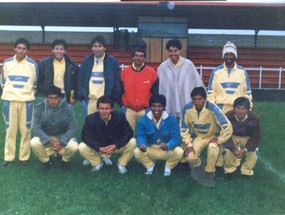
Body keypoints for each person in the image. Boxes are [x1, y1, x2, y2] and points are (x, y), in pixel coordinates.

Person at [180, 87, 232, 185]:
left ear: (205, 99)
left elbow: (227, 126)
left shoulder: (212, 107)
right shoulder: (187, 108)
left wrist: (219, 140)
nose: (197, 102)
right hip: (199, 137)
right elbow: (183, 128)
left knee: (212, 148)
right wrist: (189, 145)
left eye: (200, 99)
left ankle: (209, 171)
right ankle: (198, 165)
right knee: (190, 157)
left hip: (213, 136)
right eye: (194, 99)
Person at [1, 38, 38, 166]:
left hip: (26, 102)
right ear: (14, 49)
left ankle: (24, 158)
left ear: (28, 50)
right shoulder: (6, 63)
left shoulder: (33, 65)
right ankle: (8, 157)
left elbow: (35, 84)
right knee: (10, 130)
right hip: (10, 101)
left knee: (26, 130)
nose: (21, 51)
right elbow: (3, 82)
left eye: (24, 49)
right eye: (19, 48)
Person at [78, 96, 136, 174]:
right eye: (101, 108)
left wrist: (116, 145)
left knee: (133, 142)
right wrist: (98, 147)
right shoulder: (91, 118)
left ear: (112, 109)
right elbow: (84, 136)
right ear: (98, 109)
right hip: (100, 148)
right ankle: (97, 163)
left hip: (115, 147)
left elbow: (129, 132)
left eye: (107, 108)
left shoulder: (119, 116)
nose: (104, 111)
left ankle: (121, 164)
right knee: (82, 146)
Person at [30, 86, 78, 170]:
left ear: (60, 98)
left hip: (63, 137)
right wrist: (49, 141)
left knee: (74, 146)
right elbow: (35, 127)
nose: (53, 101)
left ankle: (64, 161)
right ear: (46, 98)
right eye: (50, 98)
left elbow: (73, 128)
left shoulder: (68, 109)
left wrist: (62, 141)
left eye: (56, 98)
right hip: (47, 137)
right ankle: (46, 161)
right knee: (34, 142)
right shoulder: (39, 108)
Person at [134, 95, 183, 176]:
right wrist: (142, 144)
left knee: (179, 151)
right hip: (150, 148)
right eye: (153, 106)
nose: (156, 109)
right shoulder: (143, 120)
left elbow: (176, 138)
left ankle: (168, 167)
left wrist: (168, 145)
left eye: (159, 106)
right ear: (150, 107)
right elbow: (140, 136)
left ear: (163, 107)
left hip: (166, 149)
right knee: (137, 151)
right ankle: (149, 166)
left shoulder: (171, 119)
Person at [157, 39, 204, 120]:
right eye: (170, 51)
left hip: (186, 104)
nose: (173, 54)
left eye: (175, 51)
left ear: (180, 51)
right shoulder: (162, 68)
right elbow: (161, 90)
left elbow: (197, 84)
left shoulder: (188, 65)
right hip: (169, 107)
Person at [77, 35, 121, 118]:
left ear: (104, 48)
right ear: (92, 48)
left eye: (100, 46)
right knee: (90, 127)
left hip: (105, 101)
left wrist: (113, 99)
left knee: (105, 127)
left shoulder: (112, 61)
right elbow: (80, 80)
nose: (97, 49)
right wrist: (82, 97)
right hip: (90, 101)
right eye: (95, 46)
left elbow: (117, 82)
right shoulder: (86, 61)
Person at [208, 41, 253, 114]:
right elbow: (211, 93)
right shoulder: (216, 72)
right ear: (223, 56)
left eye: (231, 54)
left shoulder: (242, 72)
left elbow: (247, 93)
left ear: (235, 55)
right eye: (226, 54)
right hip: (220, 109)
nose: (229, 57)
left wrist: (249, 108)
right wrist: (213, 109)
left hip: (238, 110)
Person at [120, 47, 158, 133]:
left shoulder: (152, 73)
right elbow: (119, 90)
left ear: (144, 58)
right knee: (128, 135)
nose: (138, 58)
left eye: (141, 56)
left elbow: (155, 92)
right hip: (128, 110)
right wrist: (122, 105)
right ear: (133, 57)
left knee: (145, 134)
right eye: (136, 55)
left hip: (145, 110)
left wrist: (150, 108)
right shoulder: (124, 72)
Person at [223, 97, 260, 180]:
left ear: (248, 110)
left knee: (255, 150)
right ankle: (229, 170)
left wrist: (246, 150)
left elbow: (255, 137)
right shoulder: (227, 116)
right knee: (226, 150)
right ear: (234, 108)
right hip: (231, 136)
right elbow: (224, 135)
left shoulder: (254, 118)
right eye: (238, 108)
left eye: (243, 109)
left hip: (246, 137)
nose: (240, 111)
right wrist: (233, 148)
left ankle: (246, 170)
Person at [37, 39, 79, 105]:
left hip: (65, 96)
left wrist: (74, 97)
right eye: (56, 49)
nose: (59, 51)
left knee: (64, 115)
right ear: (52, 50)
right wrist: (44, 94)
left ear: (65, 51)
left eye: (61, 49)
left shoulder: (72, 65)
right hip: (49, 96)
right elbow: (39, 81)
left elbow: (76, 83)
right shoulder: (43, 64)